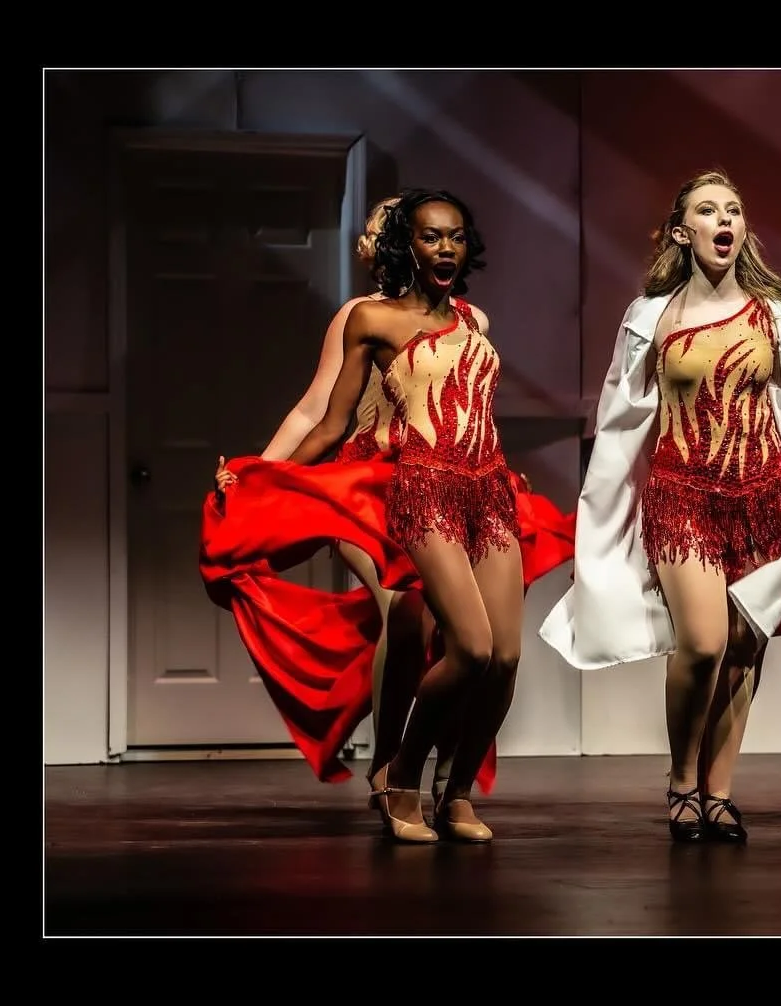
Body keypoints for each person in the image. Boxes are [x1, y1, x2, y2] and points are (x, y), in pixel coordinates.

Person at [205, 188, 553, 843]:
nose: (443, 246)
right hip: (389, 480)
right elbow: (321, 415)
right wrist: (263, 474)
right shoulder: (365, 318)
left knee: (502, 656)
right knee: (428, 623)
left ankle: (454, 794)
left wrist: (500, 468)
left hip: (481, 490)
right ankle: (397, 772)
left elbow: (471, 406)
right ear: (403, 243)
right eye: (426, 234)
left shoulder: (475, 323)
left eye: (454, 235)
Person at [539, 169, 781, 843]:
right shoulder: (651, 316)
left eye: (734, 208)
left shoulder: (776, 318)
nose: (725, 219)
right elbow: (619, 415)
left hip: (759, 497)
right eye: (708, 210)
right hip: (681, 495)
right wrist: (604, 505)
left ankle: (718, 792)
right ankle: (680, 779)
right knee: (703, 643)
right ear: (682, 231)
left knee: (744, 649)